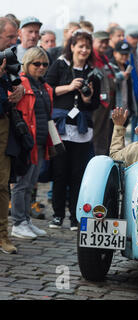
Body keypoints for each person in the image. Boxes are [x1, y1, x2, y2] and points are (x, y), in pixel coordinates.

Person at [45, 30, 101, 231]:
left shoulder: (93, 72)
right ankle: (58, 214)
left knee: (78, 174)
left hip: (82, 128)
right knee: (60, 172)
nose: (84, 50)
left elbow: (95, 104)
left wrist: (87, 99)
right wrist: (68, 87)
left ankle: (75, 217)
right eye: (80, 46)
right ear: (72, 47)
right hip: (61, 126)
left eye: (87, 46)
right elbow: (47, 89)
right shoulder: (59, 65)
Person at [10, 47, 53, 239]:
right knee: (21, 184)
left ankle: (26, 220)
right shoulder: (22, 83)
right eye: (37, 64)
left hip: (40, 142)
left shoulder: (44, 87)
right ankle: (18, 223)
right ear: (27, 64)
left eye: (44, 64)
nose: (41, 67)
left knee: (30, 184)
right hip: (26, 142)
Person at [0, 17, 22, 254]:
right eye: (9, 37)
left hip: (3, 123)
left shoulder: (8, 56)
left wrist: (19, 89)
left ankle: (2, 235)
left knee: (2, 183)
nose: (14, 41)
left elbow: (15, 82)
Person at [91, 31, 116, 156]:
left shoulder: (104, 58)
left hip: (107, 102)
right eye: (101, 42)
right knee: (95, 134)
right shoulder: (91, 57)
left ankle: (101, 159)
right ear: (93, 42)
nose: (104, 45)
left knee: (104, 134)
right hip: (98, 103)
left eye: (106, 42)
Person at [110, 40, 137, 126]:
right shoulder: (110, 67)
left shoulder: (126, 67)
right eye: (122, 54)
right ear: (115, 53)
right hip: (114, 112)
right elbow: (109, 84)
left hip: (126, 111)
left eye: (126, 54)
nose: (124, 57)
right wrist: (120, 76)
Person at [126, 31, 138, 142]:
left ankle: (134, 143)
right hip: (128, 91)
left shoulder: (135, 51)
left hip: (137, 90)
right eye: (133, 37)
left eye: (137, 38)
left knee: (136, 119)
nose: (135, 40)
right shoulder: (126, 51)